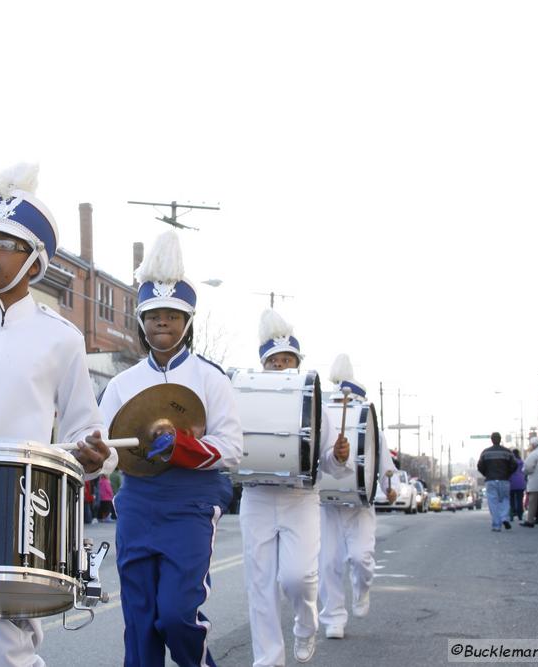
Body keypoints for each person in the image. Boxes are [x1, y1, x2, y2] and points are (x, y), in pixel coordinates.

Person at [0, 164, 112, 667]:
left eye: (4, 242)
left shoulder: (62, 338)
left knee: (4, 652)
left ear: (34, 262)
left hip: (23, 514)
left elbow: (85, 431)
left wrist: (95, 456)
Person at [98, 230, 243, 667]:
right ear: (141, 322)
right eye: (154, 314)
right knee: (140, 624)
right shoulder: (122, 384)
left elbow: (233, 448)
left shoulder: (212, 378)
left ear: (188, 321)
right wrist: (93, 455)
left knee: (178, 616)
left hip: (191, 502)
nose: (163, 322)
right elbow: (105, 448)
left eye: (173, 315)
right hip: (138, 503)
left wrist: (182, 447)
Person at [238, 311, 338, 664]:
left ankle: (306, 626)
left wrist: (338, 456)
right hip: (258, 496)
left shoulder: (315, 403)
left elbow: (326, 460)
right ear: (264, 365)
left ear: (297, 364)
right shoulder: (246, 398)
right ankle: (268, 660)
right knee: (260, 586)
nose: (281, 365)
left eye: (287, 360)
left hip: (301, 498)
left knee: (300, 578)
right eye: (274, 361)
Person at [317, 353, 397, 643]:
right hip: (329, 506)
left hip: (361, 505)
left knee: (361, 559)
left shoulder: (373, 428)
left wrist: (391, 486)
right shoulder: (325, 421)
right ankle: (333, 617)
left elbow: (386, 466)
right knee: (328, 563)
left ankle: (362, 589)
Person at [477, 432, 516, 531]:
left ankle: (496, 525)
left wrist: (486, 473)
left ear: (492, 440)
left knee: (493, 502)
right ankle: (504, 517)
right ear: (500, 439)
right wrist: (508, 473)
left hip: (491, 480)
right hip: (504, 479)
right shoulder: (507, 452)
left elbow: (480, 466)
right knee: (505, 499)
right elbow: (514, 465)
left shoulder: (485, 452)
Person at [509, 448, 526, 522]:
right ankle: (520, 515)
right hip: (521, 481)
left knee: (511, 499)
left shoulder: (510, 462)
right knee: (519, 499)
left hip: (512, 482)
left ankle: (512, 514)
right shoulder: (521, 462)